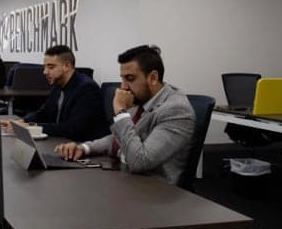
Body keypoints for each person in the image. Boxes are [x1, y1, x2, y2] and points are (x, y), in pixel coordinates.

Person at [55, 45, 195, 185]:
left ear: (152, 78)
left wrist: (121, 112)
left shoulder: (176, 110)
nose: (123, 87)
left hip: (154, 191)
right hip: (128, 178)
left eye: (130, 78)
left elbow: (140, 162)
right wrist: (84, 148)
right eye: (122, 79)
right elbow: (117, 139)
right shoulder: (142, 100)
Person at [1, 45, 109, 142]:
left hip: (82, 149)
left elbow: (72, 128)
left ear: (66, 66)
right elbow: (43, 113)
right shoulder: (58, 85)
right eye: (45, 67)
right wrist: (21, 122)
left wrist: (30, 127)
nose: (45, 72)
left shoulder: (87, 89)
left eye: (51, 67)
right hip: (62, 142)